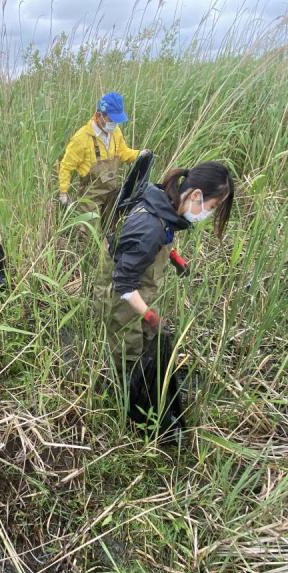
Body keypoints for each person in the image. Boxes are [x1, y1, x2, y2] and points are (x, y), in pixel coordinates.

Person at [96, 159, 234, 435]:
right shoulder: (148, 227)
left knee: (150, 340)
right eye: (213, 207)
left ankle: (143, 390)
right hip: (123, 295)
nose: (209, 213)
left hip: (139, 289)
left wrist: (174, 257)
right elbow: (123, 284)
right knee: (128, 349)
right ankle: (124, 409)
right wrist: (148, 314)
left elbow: (161, 240)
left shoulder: (166, 204)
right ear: (196, 195)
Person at [57, 92, 148, 230]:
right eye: (111, 120)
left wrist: (139, 154)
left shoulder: (115, 133)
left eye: (116, 121)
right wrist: (63, 191)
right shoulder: (81, 138)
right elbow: (66, 166)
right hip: (90, 196)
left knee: (112, 229)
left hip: (111, 192)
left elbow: (123, 153)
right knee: (90, 235)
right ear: (99, 115)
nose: (114, 124)